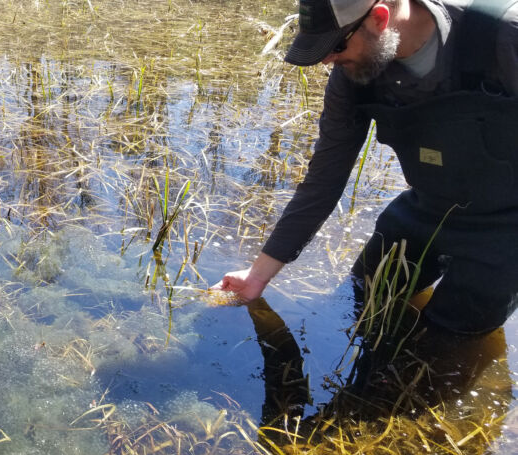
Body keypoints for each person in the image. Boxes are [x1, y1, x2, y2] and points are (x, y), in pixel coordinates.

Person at [213, 0, 518, 336]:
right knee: (363, 297)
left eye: (337, 45)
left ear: (379, 18)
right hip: (426, 207)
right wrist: (257, 276)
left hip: (507, 227)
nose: (328, 59)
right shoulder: (353, 73)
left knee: (444, 343)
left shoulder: (503, 36)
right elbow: (324, 179)